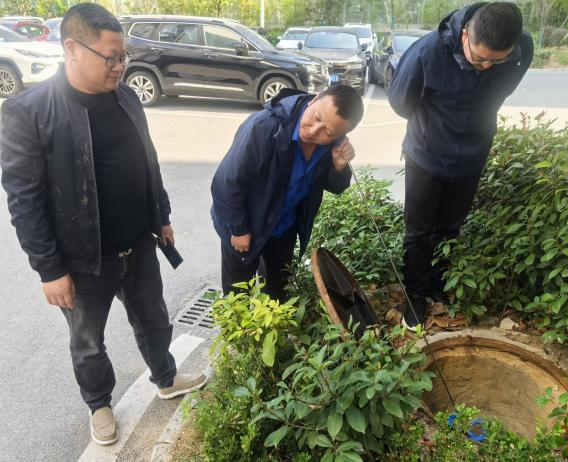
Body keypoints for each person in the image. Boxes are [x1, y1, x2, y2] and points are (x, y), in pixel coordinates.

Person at [0, 3, 206, 446]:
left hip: (139, 244)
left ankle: (166, 377)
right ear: (72, 49)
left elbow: (148, 160)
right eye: (111, 57)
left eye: (123, 57)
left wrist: (162, 216)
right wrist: (49, 269)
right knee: (88, 342)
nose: (120, 66)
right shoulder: (28, 111)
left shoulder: (126, 97)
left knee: (154, 320)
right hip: (81, 261)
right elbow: (24, 201)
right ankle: (99, 404)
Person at [388, 2, 533, 328]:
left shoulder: (521, 50)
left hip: (472, 157)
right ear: (465, 34)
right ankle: (415, 295)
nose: (486, 66)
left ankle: (437, 285)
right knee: (419, 231)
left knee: (449, 229)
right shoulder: (427, 53)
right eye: (479, 58)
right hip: (427, 155)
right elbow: (400, 102)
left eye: (497, 61)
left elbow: (504, 88)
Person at [211, 85, 364, 300]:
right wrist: (238, 229)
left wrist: (339, 167)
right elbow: (225, 183)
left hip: (284, 227)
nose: (314, 130)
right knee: (238, 296)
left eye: (328, 132)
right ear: (315, 98)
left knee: (277, 293)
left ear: (340, 135)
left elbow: (335, 187)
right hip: (245, 223)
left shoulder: (332, 146)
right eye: (316, 117)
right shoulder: (264, 127)